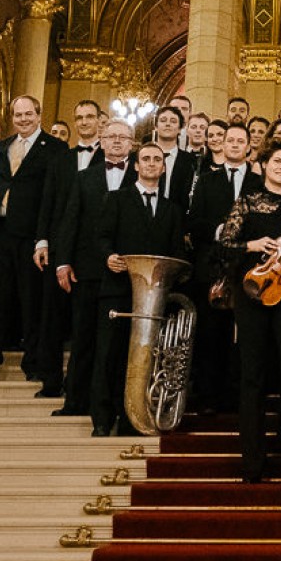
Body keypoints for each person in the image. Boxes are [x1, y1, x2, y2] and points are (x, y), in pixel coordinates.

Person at [219, 141, 281, 484]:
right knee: (253, 376)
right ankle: (253, 464)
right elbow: (225, 245)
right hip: (253, 293)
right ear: (263, 165)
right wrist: (254, 244)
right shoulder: (246, 202)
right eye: (277, 161)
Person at [0, 95, 68, 382]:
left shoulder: (56, 148)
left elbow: (55, 196)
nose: (23, 119)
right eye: (18, 115)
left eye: (28, 114)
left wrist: (44, 238)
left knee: (31, 302)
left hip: (32, 237)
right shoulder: (2, 146)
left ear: (38, 115)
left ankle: (32, 362)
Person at [49, 119, 139, 420]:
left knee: (115, 343)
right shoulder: (84, 177)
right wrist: (63, 261)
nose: (117, 141)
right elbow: (70, 220)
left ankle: (113, 405)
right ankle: (75, 401)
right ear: (102, 141)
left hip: (124, 271)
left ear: (131, 144)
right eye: (111, 136)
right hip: (86, 269)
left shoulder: (140, 176)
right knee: (83, 337)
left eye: (123, 137)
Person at [94, 142, 186, 436]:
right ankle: (102, 419)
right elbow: (101, 237)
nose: (151, 163)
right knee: (109, 356)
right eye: (145, 159)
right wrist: (108, 256)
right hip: (118, 290)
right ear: (136, 165)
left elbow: (176, 252)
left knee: (148, 357)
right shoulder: (116, 199)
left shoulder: (172, 210)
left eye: (157, 159)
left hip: (154, 297)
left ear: (163, 168)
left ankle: (134, 419)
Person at [187, 122, 260, 413]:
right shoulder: (206, 181)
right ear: (222, 144)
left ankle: (238, 396)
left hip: (248, 267)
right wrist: (222, 232)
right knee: (211, 333)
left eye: (240, 141)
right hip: (213, 267)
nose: (234, 145)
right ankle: (208, 396)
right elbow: (194, 222)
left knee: (245, 336)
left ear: (248, 147)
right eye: (230, 140)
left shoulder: (258, 182)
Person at [151, 107, 196, 208]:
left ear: (180, 129)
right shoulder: (139, 156)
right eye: (163, 120)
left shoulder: (190, 160)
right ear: (156, 126)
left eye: (173, 121)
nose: (168, 124)